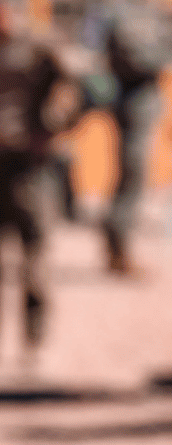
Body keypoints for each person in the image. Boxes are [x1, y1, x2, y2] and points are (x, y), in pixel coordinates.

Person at [0, 0, 74, 364]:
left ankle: (34, 342)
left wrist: (53, 126)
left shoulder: (41, 49)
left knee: (33, 254)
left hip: (28, 166)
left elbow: (82, 87)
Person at [98, 0, 171, 276]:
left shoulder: (150, 14)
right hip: (132, 104)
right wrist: (159, 58)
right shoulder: (122, 13)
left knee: (136, 176)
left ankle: (119, 245)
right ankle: (117, 245)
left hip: (144, 104)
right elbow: (135, 58)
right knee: (132, 174)